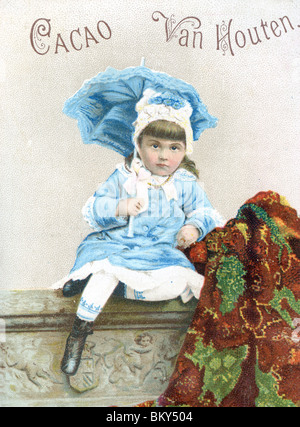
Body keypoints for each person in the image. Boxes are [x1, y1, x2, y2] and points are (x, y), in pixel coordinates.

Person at [60, 89, 224, 376]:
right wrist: (120, 206)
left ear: (185, 151)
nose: (163, 156)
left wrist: (192, 226)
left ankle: (123, 287)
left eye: (174, 148)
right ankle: (79, 330)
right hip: (116, 245)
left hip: (158, 253)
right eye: (155, 145)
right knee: (106, 271)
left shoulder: (184, 182)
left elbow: (206, 211)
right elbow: (94, 208)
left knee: (177, 284)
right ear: (139, 144)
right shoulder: (125, 175)